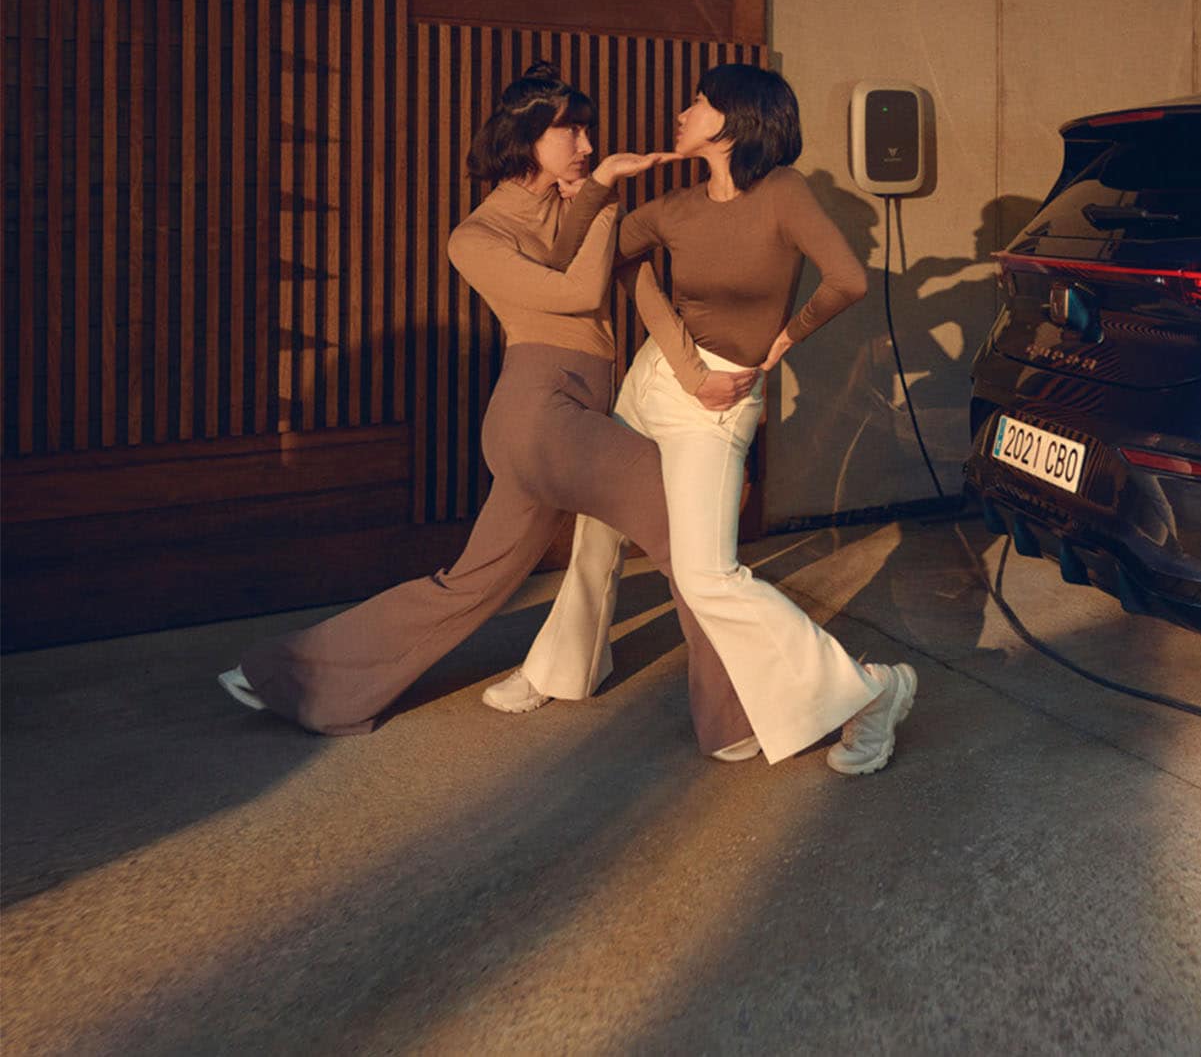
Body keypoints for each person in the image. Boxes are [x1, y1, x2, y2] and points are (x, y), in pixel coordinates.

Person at [218, 62, 758, 750]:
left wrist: (693, 374)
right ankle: (740, 721)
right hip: (539, 415)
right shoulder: (475, 236)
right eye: (569, 128)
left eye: (586, 127)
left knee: (469, 583)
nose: (585, 141)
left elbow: (641, 292)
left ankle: (289, 677)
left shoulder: (582, 205)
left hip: (569, 416)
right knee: (691, 527)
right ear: (527, 135)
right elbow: (575, 295)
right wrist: (599, 196)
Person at [487, 64, 917, 775]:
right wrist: (602, 188)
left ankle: (873, 691)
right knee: (596, 532)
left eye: (698, 102)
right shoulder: (677, 206)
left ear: (734, 119)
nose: (682, 112)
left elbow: (848, 279)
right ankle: (563, 670)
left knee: (709, 574)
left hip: (717, 403)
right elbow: (584, 260)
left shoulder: (782, 193)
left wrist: (781, 345)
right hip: (653, 378)